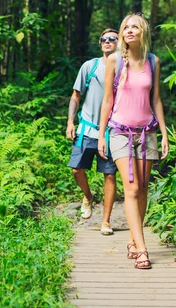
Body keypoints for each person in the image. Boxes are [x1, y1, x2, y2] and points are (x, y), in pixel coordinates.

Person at [98, 13, 169, 269]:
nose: (129, 31)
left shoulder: (153, 61)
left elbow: (157, 99)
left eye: (134, 27)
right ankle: (142, 250)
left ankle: (132, 239)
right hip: (119, 132)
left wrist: (164, 134)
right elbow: (107, 99)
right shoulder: (115, 61)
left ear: (143, 32)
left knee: (142, 190)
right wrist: (101, 134)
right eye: (125, 27)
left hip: (147, 132)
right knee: (131, 189)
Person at [66, 28, 119, 235]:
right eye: (104, 39)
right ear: (100, 43)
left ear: (119, 42)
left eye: (112, 39)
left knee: (110, 176)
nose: (107, 41)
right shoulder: (90, 66)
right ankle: (88, 195)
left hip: (112, 131)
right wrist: (71, 121)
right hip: (87, 128)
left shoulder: (123, 68)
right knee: (76, 170)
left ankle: (105, 221)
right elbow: (75, 96)